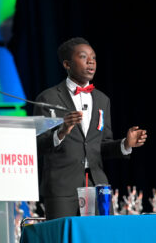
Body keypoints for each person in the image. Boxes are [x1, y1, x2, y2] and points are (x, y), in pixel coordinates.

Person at [33, 37, 147, 220]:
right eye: (84, 57)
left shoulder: (103, 100)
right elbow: (36, 145)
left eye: (93, 57)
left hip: (97, 185)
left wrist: (125, 144)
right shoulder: (47, 98)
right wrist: (61, 132)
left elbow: (101, 146)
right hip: (62, 187)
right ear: (67, 64)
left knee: (99, 242)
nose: (91, 61)